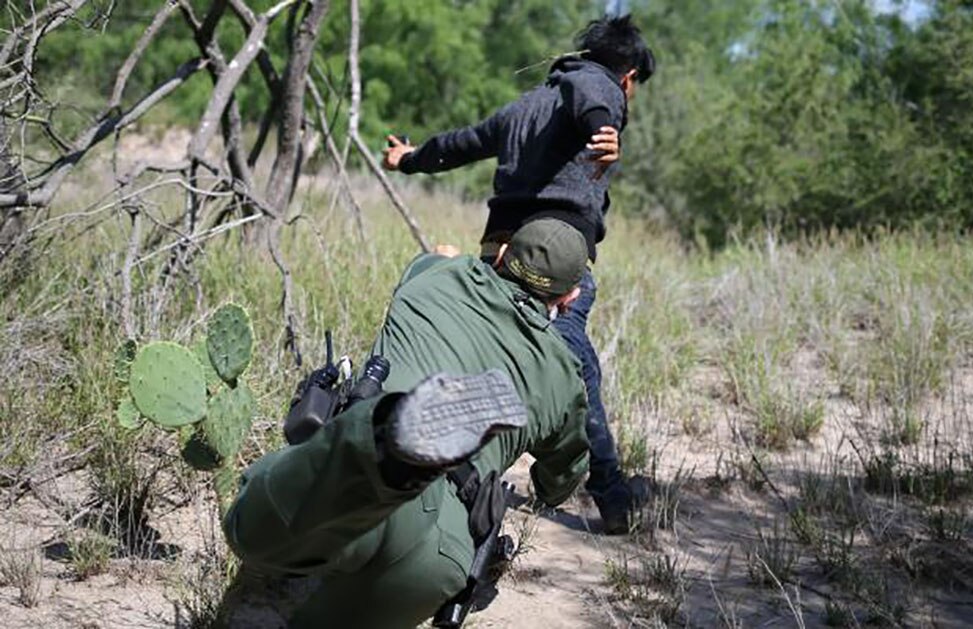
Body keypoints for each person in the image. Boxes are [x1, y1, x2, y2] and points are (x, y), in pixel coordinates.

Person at [223, 219, 591, 628]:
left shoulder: (436, 271)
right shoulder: (565, 377)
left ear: (502, 255)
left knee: (251, 530)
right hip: (435, 553)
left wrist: (448, 258)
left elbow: (433, 262)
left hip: (354, 472)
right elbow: (558, 484)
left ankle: (389, 445)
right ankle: (404, 453)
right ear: (570, 298)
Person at [382, 15, 656, 533]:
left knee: (485, 358)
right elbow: (592, 96)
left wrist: (410, 158)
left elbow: (462, 143)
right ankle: (612, 496)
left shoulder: (524, 107)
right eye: (631, 88)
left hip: (496, 258)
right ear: (629, 76)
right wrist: (605, 127)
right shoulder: (597, 83)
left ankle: (438, 465)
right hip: (550, 263)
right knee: (576, 368)